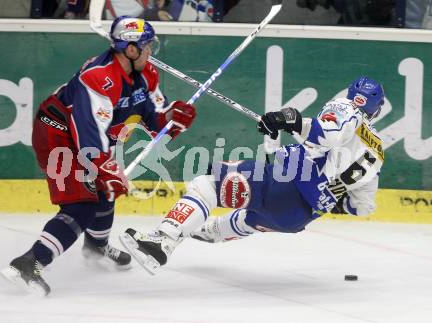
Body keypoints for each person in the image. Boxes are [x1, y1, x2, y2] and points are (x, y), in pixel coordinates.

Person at [0, 16, 196, 295]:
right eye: (147, 45)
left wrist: (174, 119)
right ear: (130, 49)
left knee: (104, 192)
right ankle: (29, 263)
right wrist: (104, 167)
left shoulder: (147, 74)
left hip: (85, 137)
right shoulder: (98, 78)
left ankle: (96, 247)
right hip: (57, 134)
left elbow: (153, 121)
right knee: (82, 204)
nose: (151, 51)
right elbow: (88, 136)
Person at [119, 76, 384, 275]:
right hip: (296, 217)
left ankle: (162, 242)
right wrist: (323, 196)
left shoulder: (347, 108)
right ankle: (212, 231)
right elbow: (362, 206)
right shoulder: (375, 150)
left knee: (207, 186)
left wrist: (289, 118)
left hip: (286, 182)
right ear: (378, 109)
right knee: (250, 216)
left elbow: (329, 133)